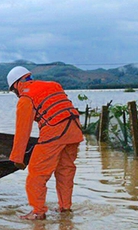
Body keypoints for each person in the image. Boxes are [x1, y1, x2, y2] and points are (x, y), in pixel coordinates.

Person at [7, 66, 83, 220]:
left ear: (16, 85)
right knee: (65, 171)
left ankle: (38, 212)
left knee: (36, 174)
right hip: (75, 129)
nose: (15, 94)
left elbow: (23, 131)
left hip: (55, 132)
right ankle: (65, 208)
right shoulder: (53, 85)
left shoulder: (25, 98)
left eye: (13, 90)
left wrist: (18, 158)